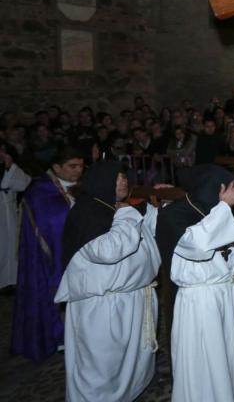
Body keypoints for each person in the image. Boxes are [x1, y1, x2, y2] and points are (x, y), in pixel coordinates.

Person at [155, 165, 234, 402]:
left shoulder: (215, 213)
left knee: (228, 357)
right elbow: (198, 247)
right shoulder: (174, 215)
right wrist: (223, 208)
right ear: (217, 189)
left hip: (226, 293)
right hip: (201, 302)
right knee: (207, 362)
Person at [56, 160, 161, 401]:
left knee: (129, 363)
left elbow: (144, 234)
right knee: (101, 368)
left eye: (125, 176)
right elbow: (109, 251)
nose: (123, 181)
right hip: (102, 305)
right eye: (117, 177)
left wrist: (156, 206)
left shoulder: (115, 207)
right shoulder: (89, 212)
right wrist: (126, 212)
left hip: (131, 297)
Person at [11, 147, 84, 362]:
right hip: (50, 257)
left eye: (81, 166)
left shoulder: (82, 185)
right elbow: (52, 222)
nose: (78, 171)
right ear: (56, 167)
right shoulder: (40, 191)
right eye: (72, 166)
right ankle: (57, 337)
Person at [1, 144, 32, 289]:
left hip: (9, 213)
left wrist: (9, 168)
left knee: (10, 245)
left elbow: (23, 184)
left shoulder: (14, 168)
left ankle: (10, 280)